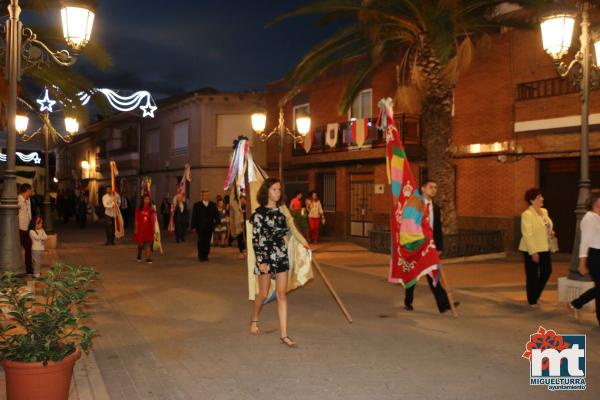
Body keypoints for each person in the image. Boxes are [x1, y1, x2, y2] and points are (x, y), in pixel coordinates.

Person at [250, 178, 309, 347]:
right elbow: (256, 239)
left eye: (279, 190)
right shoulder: (259, 213)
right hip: (265, 256)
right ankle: (254, 319)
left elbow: (290, 232)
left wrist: (303, 244)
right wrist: (261, 261)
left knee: (282, 295)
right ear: (266, 191)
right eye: (274, 189)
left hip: (281, 254)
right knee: (263, 293)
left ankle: (284, 335)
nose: (278, 192)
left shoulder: (283, 211)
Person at [403, 180, 458, 313]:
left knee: (433, 273)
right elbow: (410, 224)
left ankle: (443, 304)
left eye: (435, 187)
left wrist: (439, 247)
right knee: (413, 274)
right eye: (430, 187)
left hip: (430, 246)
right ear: (422, 189)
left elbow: (437, 229)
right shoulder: (416, 204)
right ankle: (408, 300)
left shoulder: (436, 208)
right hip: (418, 244)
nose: (434, 189)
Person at [519, 188, 554, 307]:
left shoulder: (544, 211)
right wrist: (533, 252)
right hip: (531, 248)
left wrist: (550, 231)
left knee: (547, 271)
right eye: (539, 197)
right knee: (532, 274)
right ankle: (532, 299)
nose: (542, 199)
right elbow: (527, 234)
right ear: (532, 200)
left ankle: (536, 294)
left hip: (545, 247)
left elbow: (546, 225)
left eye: (541, 196)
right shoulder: (527, 214)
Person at [570, 189, 600, 326]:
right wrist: (582, 263)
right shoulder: (589, 218)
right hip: (595, 255)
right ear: (595, 201)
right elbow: (585, 242)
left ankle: (576, 303)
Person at [191, 189, 219, 261]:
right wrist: (193, 226)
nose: (207, 196)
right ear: (202, 196)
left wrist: (218, 223)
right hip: (200, 227)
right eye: (205, 195)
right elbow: (194, 216)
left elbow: (216, 215)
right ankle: (201, 256)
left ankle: (206, 255)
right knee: (201, 241)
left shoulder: (213, 205)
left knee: (207, 241)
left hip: (209, 227)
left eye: (208, 195)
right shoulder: (197, 205)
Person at [134, 194, 156, 264]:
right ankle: (139, 254)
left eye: (148, 199)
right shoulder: (139, 209)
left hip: (149, 228)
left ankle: (148, 258)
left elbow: (153, 219)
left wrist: (154, 228)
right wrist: (136, 228)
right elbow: (136, 220)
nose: (147, 200)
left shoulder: (151, 209)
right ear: (143, 200)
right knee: (140, 244)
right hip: (141, 228)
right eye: (146, 199)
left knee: (148, 243)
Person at [18, 184, 33, 275]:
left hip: (27, 228)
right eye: (30, 190)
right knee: (17, 249)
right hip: (19, 229)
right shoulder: (18, 200)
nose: (31, 192)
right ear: (27, 190)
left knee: (28, 247)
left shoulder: (28, 200)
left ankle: (29, 269)